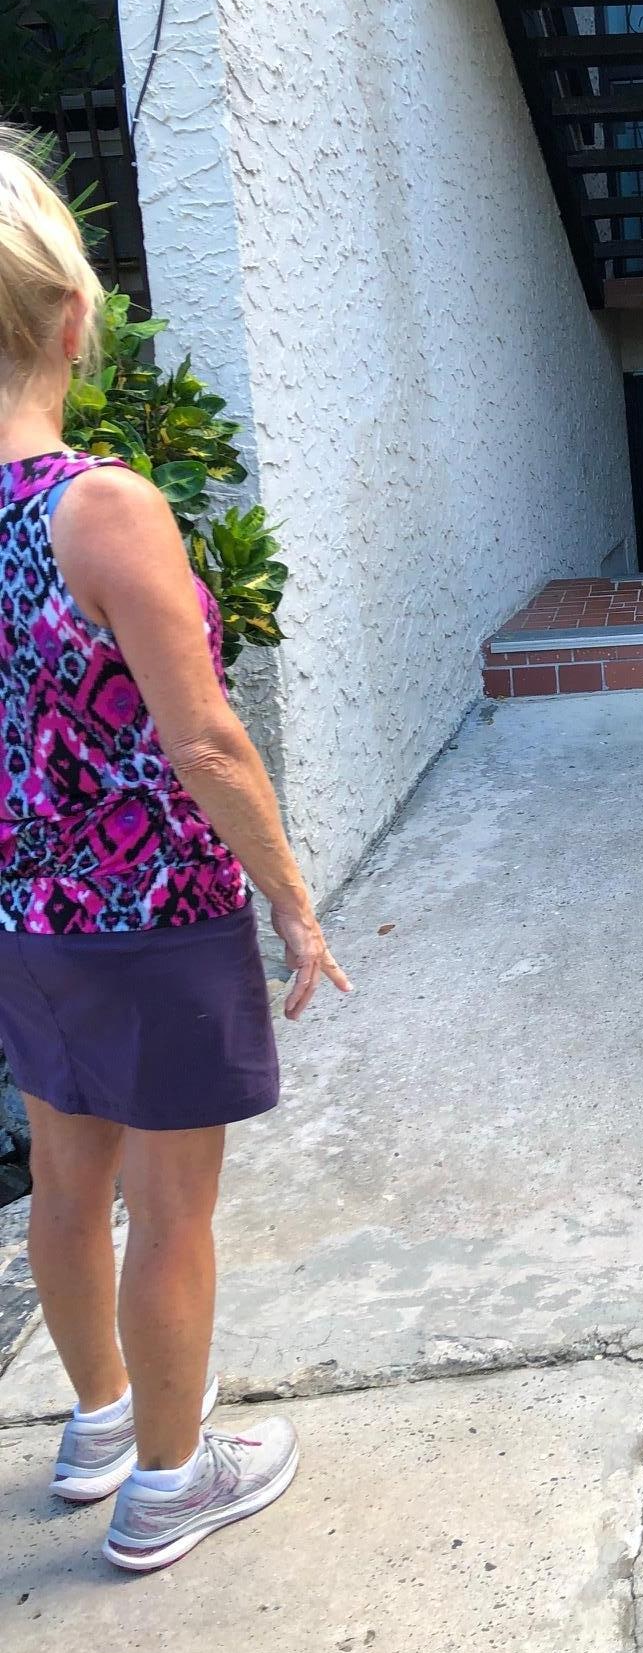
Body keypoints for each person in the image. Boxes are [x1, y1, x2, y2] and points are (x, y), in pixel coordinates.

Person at [0, 130, 350, 1572]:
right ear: (74, 318)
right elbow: (205, 740)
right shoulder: (102, 508)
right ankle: (167, 1480)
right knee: (171, 1207)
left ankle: (97, 1425)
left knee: (70, 1186)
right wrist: (293, 900)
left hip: (28, 917)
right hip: (150, 913)